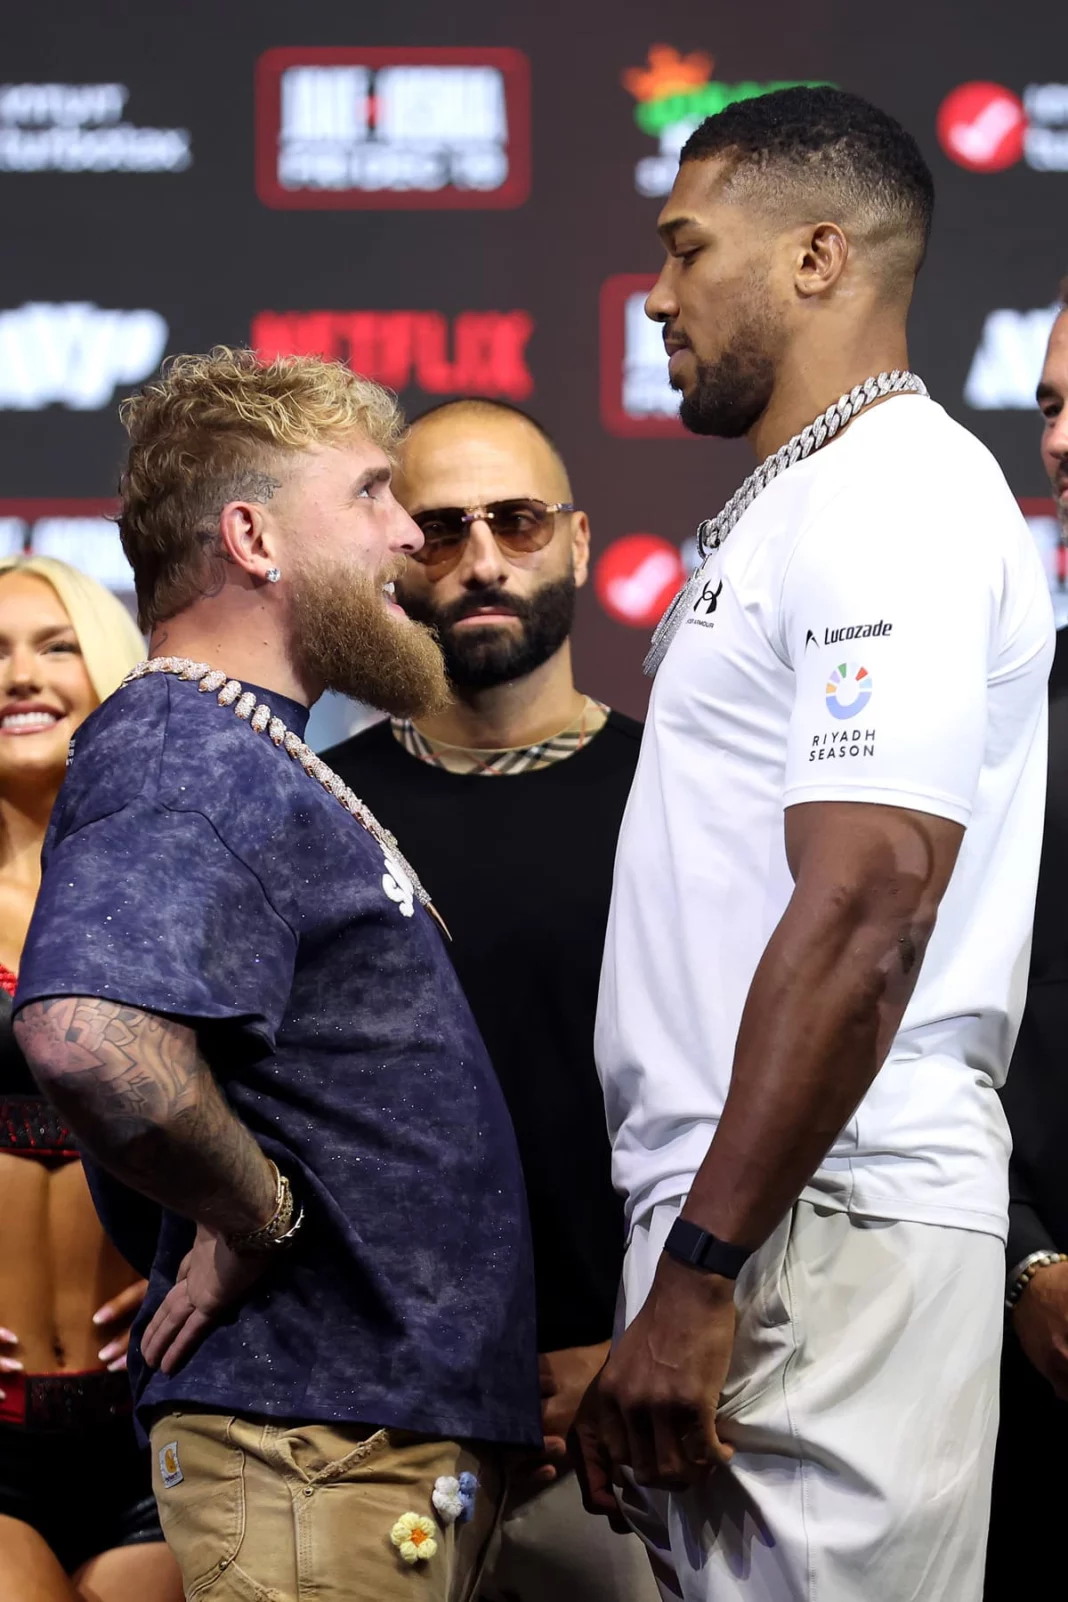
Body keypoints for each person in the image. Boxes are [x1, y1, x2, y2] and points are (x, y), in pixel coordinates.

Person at [572, 86, 1054, 1602]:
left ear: (817, 257)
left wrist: (704, 1266)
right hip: (777, 1206)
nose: (656, 292)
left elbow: (870, 898)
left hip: (817, 1210)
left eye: (685, 245)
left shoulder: (898, 492)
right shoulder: (807, 499)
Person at [12, 348, 540, 1602]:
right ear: (252, 536)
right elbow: (87, 1034)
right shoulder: (181, 740)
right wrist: (262, 1214)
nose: (408, 534)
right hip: (313, 1446)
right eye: (369, 494)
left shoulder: (245, 748)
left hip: (353, 1444)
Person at [323, 398, 657, 1602]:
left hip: (625, 1416)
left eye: (515, 522)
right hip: (375, 1422)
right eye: (439, 528)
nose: (481, 560)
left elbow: (745, 1101)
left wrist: (644, 1340)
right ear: (391, 560)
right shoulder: (314, 804)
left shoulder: (676, 793)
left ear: (575, 539)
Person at [0, 554, 182, 1602]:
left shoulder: (173, 881)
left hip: (154, 1423)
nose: (22, 675)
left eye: (56, 644)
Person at [985, 282, 1068, 1595]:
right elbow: (925, 1015)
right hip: (1036, 1377)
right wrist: (1029, 1256)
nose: (1053, 443)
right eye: (1051, 404)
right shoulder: (1008, 718)